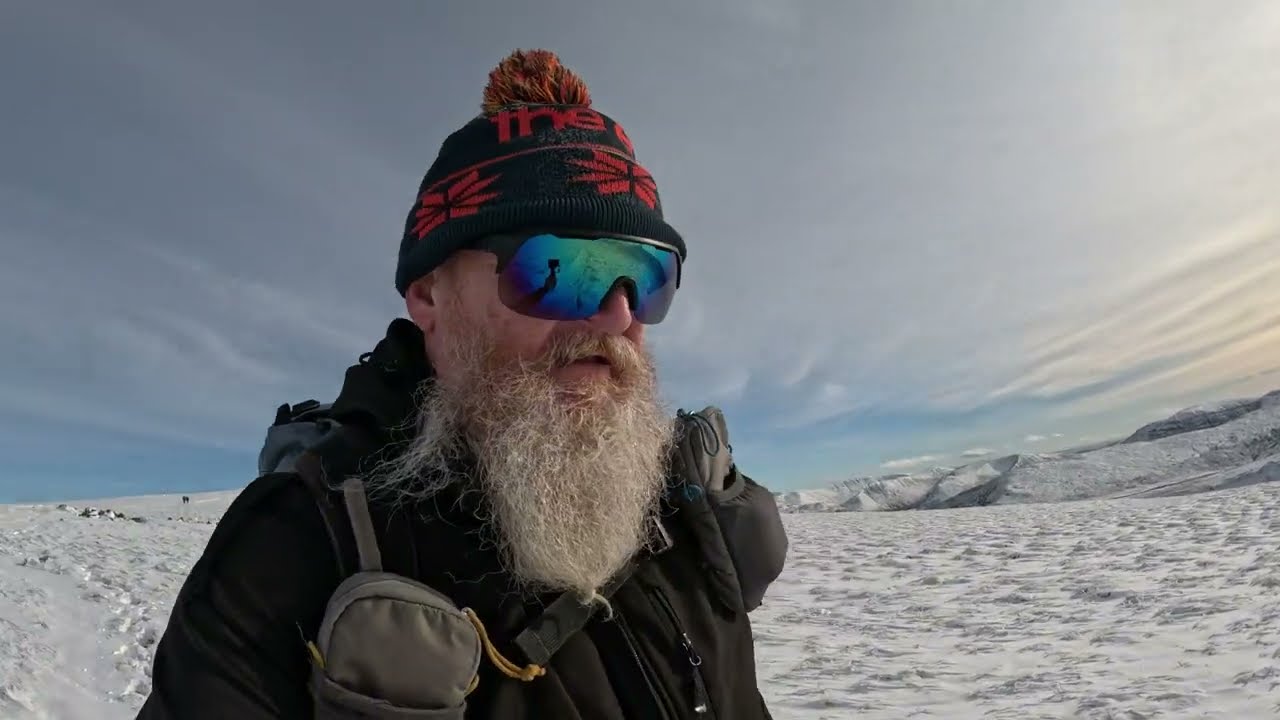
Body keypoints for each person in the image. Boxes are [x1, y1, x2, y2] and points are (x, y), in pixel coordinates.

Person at [137, 49, 787, 719]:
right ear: (428, 297)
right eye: (559, 269)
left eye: (644, 279)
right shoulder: (299, 549)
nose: (618, 315)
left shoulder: (685, 502)